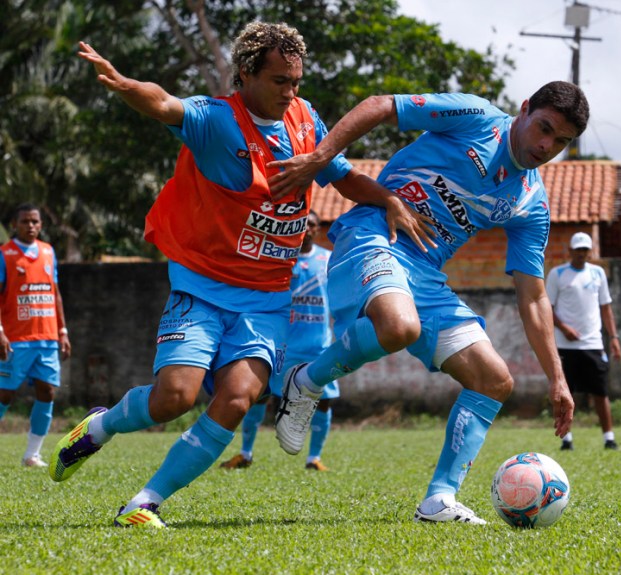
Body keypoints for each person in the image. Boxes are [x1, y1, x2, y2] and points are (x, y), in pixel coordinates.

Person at [48, 22, 429, 528]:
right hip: (201, 286)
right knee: (174, 398)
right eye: (279, 81)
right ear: (247, 74)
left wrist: (388, 199)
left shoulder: (305, 119)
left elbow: (342, 175)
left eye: (296, 81)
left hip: (267, 295)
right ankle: (104, 424)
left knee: (237, 398)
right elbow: (163, 103)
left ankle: (145, 502)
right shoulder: (216, 120)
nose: (290, 92)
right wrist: (124, 85)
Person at [269, 81, 587, 524]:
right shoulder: (475, 117)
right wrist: (322, 156)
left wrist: (558, 379)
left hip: (425, 275)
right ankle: (306, 380)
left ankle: (439, 500)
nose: (546, 145)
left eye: (561, 141)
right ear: (525, 109)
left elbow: (533, 296)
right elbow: (381, 106)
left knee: (494, 380)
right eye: (544, 128)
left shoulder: (530, 202)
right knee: (400, 327)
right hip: (374, 234)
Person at [219, 210, 339, 472]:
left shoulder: (328, 260)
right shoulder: (281, 260)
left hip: (318, 346)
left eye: (313, 224)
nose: (307, 228)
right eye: (303, 223)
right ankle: (245, 453)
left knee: (324, 399)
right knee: (259, 396)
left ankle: (314, 458)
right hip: (281, 346)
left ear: (318, 230)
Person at [0, 204, 72, 468]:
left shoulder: (48, 252)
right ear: (14, 225)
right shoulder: (4, 254)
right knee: (5, 394)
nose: (30, 226)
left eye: (35, 222)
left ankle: (32, 454)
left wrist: (63, 331)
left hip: (47, 337)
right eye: (25, 222)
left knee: (48, 391)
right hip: (16, 339)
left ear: (41, 225)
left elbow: (54, 293)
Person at [546, 232, 621, 451]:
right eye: (577, 250)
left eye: (585, 250)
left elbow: (606, 308)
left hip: (593, 344)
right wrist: (563, 328)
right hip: (565, 345)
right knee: (564, 393)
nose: (581, 254)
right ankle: (566, 439)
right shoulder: (557, 274)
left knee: (600, 392)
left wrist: (614, 337)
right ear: (570, 251)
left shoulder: (598, 273)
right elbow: (547, 309)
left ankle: (609, 437)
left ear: (590, 252)